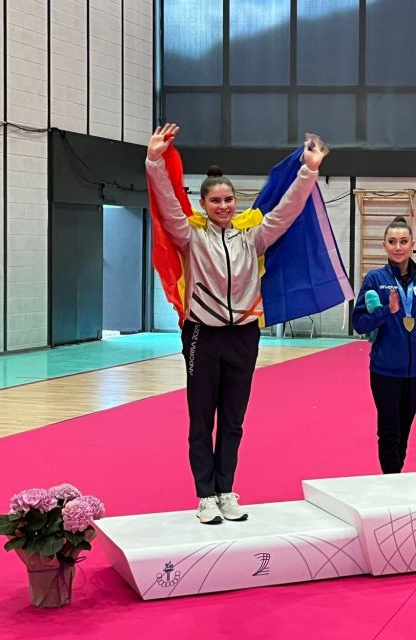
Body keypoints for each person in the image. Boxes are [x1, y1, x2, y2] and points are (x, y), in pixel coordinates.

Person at [145, 123, 329, 524]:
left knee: (233, 420)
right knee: (201, 418)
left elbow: (287, 210)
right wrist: (154, 161)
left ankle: (226, 490)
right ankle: (204, 496)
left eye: (229, 199)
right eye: (216, 201)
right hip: (202, 335)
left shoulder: (252, 239)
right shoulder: (190, 237)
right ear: (203, 204)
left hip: (244, 336)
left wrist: (309, 170)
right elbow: (167, 205)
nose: (224, 206)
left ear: (236, 202)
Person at [352, 216, 416, 474]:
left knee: (404, 431)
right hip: (385, 370)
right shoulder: (375, 279)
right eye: (392, 242)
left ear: (412, 245)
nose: (398, 247)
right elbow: (359, 323)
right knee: (389, 432)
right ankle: (392, 482)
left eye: (404, 241)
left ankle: (395, 478)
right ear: (384, 245)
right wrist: (387, 311)